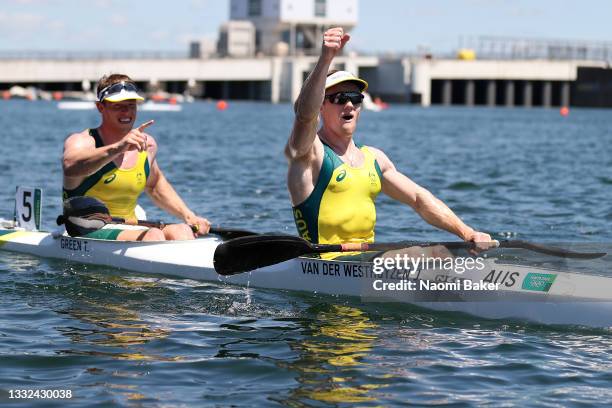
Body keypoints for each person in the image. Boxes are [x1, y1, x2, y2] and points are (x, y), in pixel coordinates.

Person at [285, 27, 492, 249]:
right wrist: (326, 58)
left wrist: (467, 233)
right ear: (321, 107)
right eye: (339, 97)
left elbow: (418, 199)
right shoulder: (310, 153)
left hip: (366, 262)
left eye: (355, 98)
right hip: (322, 264)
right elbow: (304, 116)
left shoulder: (375, 159)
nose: (348, 104)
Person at [62, 73, 210, 241]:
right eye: (118, 106)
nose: (126, 111)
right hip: (83, 227)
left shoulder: (147, 146)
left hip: (128, 225)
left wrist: (189, 216)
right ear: (100, 107)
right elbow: (70, 166)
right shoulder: (83, 141)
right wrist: (118, 147)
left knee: (182, 231)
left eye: (131, 105)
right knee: (154, 235)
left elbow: (155, 185)